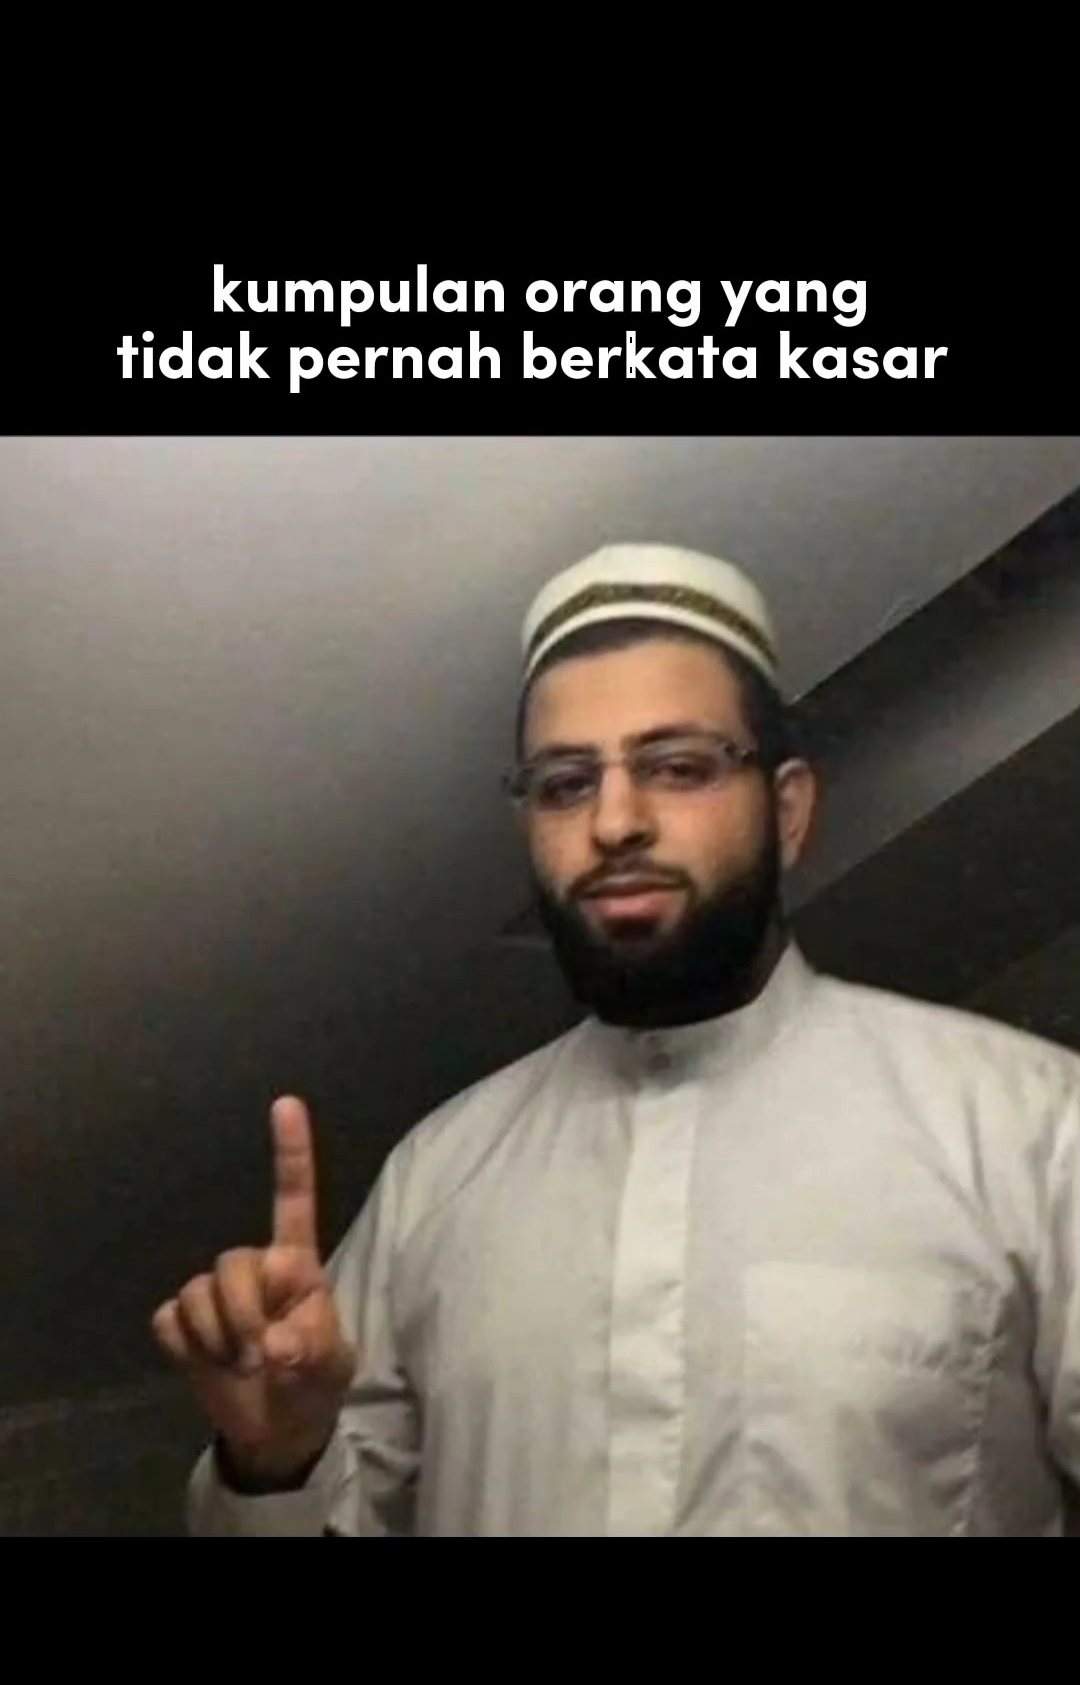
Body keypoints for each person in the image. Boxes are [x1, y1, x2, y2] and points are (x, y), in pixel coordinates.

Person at [154, 543, 1080, 1537]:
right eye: (564, 783)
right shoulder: (437, 1181)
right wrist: (274, 1464)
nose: (616, 822)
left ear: (786, 810)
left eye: (677, 768)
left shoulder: (1029, 1130)